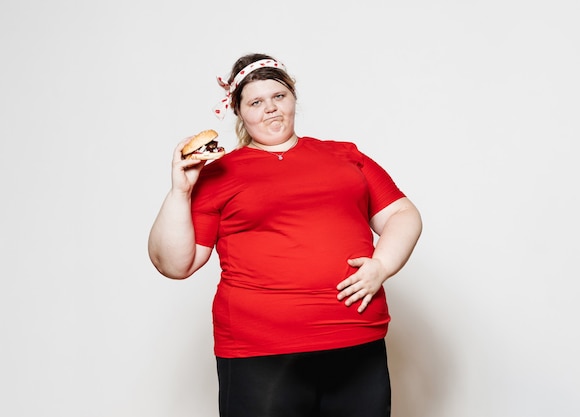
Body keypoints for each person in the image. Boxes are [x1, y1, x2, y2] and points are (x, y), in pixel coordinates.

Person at [148, 53, 423, 417]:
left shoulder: (344, 156)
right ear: (239, 111)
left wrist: (382, 265)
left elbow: (403, 213)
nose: (270, 109)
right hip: (258, 352)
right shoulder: (217, 174)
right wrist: (180, 192)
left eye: (279, 96)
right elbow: (174, 264)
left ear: (293, 98)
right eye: (256, 102)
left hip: (356, 340)